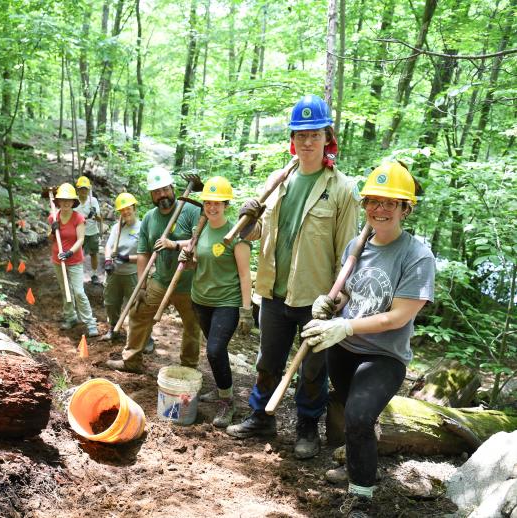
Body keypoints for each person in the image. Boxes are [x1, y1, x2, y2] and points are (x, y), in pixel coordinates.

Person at [226, 94, 358, 460]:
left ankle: (306, 427)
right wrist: (248, 217)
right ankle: (260, 417)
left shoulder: (343, 189)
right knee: (267, 362)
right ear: (293, 139)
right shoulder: (278, 180)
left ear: (326, 136)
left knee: (313, 370)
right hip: (272, 291)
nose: (307, 141)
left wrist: (338, 299)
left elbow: (349, 253)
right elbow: (255, 236)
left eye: (314, 133)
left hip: (316, 298)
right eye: (300, 134)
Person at [301, 162, 435, 516]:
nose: (380, 209)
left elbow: (400, 315)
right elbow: (349, 295)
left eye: (390, 202)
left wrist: (345, 327)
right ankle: (357, 461)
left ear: (406, 208)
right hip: (343, 349)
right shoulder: (355, 247)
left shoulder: (417, 256)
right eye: (374, 201)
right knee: (354, 415)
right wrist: (329, 304)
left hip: (383, 356)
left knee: (360, 416)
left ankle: (360, 497)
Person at [106, 166, 202, 373]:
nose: (162, 195)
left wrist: (174, 243)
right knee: (139, 312)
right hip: (160, 280)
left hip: (189, 283)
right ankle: (131, 361)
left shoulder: (192, 211)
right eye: (156, 192)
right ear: (151, 194)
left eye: (165, 189)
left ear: (172, 188)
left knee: (192, 326)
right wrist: (141, 285)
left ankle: (189, 367)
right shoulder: (150, 218)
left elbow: (199, 242)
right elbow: (143, 254)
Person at [181, 176, 253, 428]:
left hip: (227, 302)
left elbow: (245, 274)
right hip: (200, 299)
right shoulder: (200, 230)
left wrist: (246, 310)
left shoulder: (236, 234)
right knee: (214, 352)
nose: (212, 207)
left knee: (215, 349)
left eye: (218, 203)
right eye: (208, 203)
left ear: (226, 204)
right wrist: (187, 258)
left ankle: (227, 401)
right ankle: (223, 388)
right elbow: (198, 262)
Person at [102, 192, 154, 352]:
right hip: (114, 273)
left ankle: (146, 338)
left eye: (128, 208)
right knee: (111, 303)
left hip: (133, 273)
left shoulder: (142, 228)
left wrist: (126, 258)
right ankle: (113, 329)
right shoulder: (116, 228)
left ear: (134, 208)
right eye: (122, 209)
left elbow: (146, 255)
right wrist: (108, 261)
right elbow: (108, 247)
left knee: (138, 307)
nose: (125, 212)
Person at [48, 183, 98, 338]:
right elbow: (50, 239)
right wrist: (52, 229)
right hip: (58, 259)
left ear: (73, 201)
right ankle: (71, 317)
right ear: (58, 201)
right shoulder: (53, 217)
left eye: (69, 199)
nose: (66, 202)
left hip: (74, 260)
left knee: (78, 292)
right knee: (66, 290)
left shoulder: (78, 218)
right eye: (63, 199)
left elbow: (81, 239)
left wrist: (69, 252)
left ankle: (90, 323)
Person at [74, 176, 102, 284]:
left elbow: (99, 218)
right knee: (78, 254)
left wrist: (94, 213)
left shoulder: (93, 200)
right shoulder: (74, 201)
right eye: (81, 188)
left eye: (85, 188)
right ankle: (78, 276)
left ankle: (94, 274)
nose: (84, 191)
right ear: (78, 189)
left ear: (88, 189)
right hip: (79, 233)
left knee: (93, 254)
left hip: (92, 231)